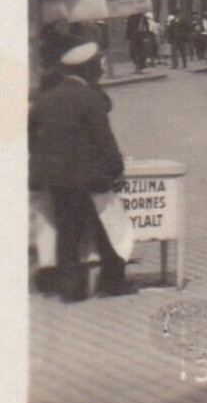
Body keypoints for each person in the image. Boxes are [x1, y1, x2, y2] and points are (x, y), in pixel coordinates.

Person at [29, 43, 134, 301]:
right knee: (107, 227)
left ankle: (71, 290)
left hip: (55, 179)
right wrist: (116, 170)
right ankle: (112, 282)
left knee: (66, 230)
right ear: (87, 69)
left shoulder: (45, 99)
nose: (100, 69)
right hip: (89, 179)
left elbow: (32, 139)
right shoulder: (90, 98)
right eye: (97, 65)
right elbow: (104, 141)